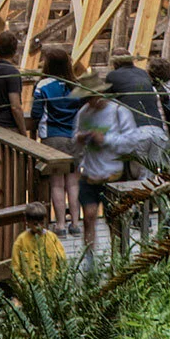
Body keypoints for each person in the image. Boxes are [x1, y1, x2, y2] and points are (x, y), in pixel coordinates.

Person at [71, 78, 136, 259]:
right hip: (90, 173)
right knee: (89, 217)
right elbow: (74, 141)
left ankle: (118, 258)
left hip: (113, 174)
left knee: (114, 221)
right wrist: (80, 139)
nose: (92, 102)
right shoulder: (83, 113)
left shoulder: (119, 112)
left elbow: (131, 142)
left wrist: (105, 140)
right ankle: (89, 260)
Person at [30, 45, 83, 238]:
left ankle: (60, 225)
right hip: (75, 137)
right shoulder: (77, 85)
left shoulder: (43, 86)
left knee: (57, 184)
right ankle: (76, 223)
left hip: (53, 137)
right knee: (74, 183)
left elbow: (36, 113)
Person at [106, 52, 160, 124]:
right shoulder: (143, 73)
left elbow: (106, 103)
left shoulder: (112, 76)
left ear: (115, 63)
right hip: (155, 123)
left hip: (132, 125)